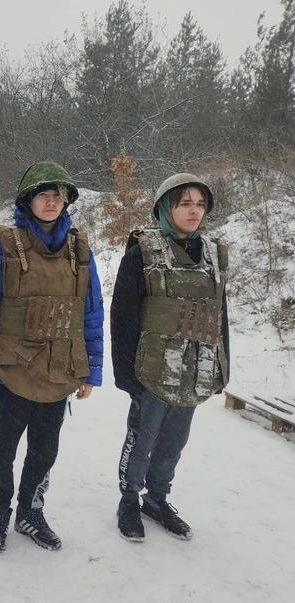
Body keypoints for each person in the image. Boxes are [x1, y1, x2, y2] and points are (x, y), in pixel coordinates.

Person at [0, 161, 104, 553]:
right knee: (4, 450)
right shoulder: (4, 245)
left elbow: (91, 313)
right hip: (11, 371)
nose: (51, 201)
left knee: (45, 450)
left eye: (58, 195)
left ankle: (31, 510)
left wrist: (92, 370)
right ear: (27, 200)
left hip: (60, 370)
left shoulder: (80, 250)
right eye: (44, 194)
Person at [112, 174, 229, 543]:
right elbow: (123, 316)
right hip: (151, 370)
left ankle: (157, 498)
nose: (194, 211)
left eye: (200, 204)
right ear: (165, 208)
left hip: (195, 369)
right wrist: (125, 375)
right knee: (142, 439)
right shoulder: (142, 253)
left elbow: (219, 314)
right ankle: (129, 500)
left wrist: (222, 367)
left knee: (174, 442)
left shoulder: (213, 254)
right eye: (185, 203)